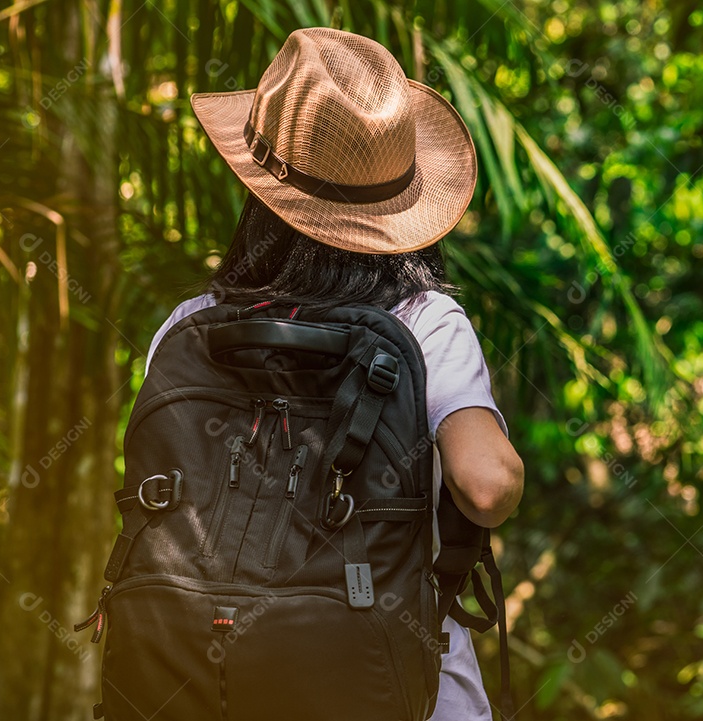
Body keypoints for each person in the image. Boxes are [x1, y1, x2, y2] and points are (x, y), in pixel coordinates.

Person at [145, 27, 524, 720]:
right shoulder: (425, 322)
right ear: (400, 208)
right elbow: (488, 486)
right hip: (405, 690)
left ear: (259, 193)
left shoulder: (190, 327)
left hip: (207, 688)